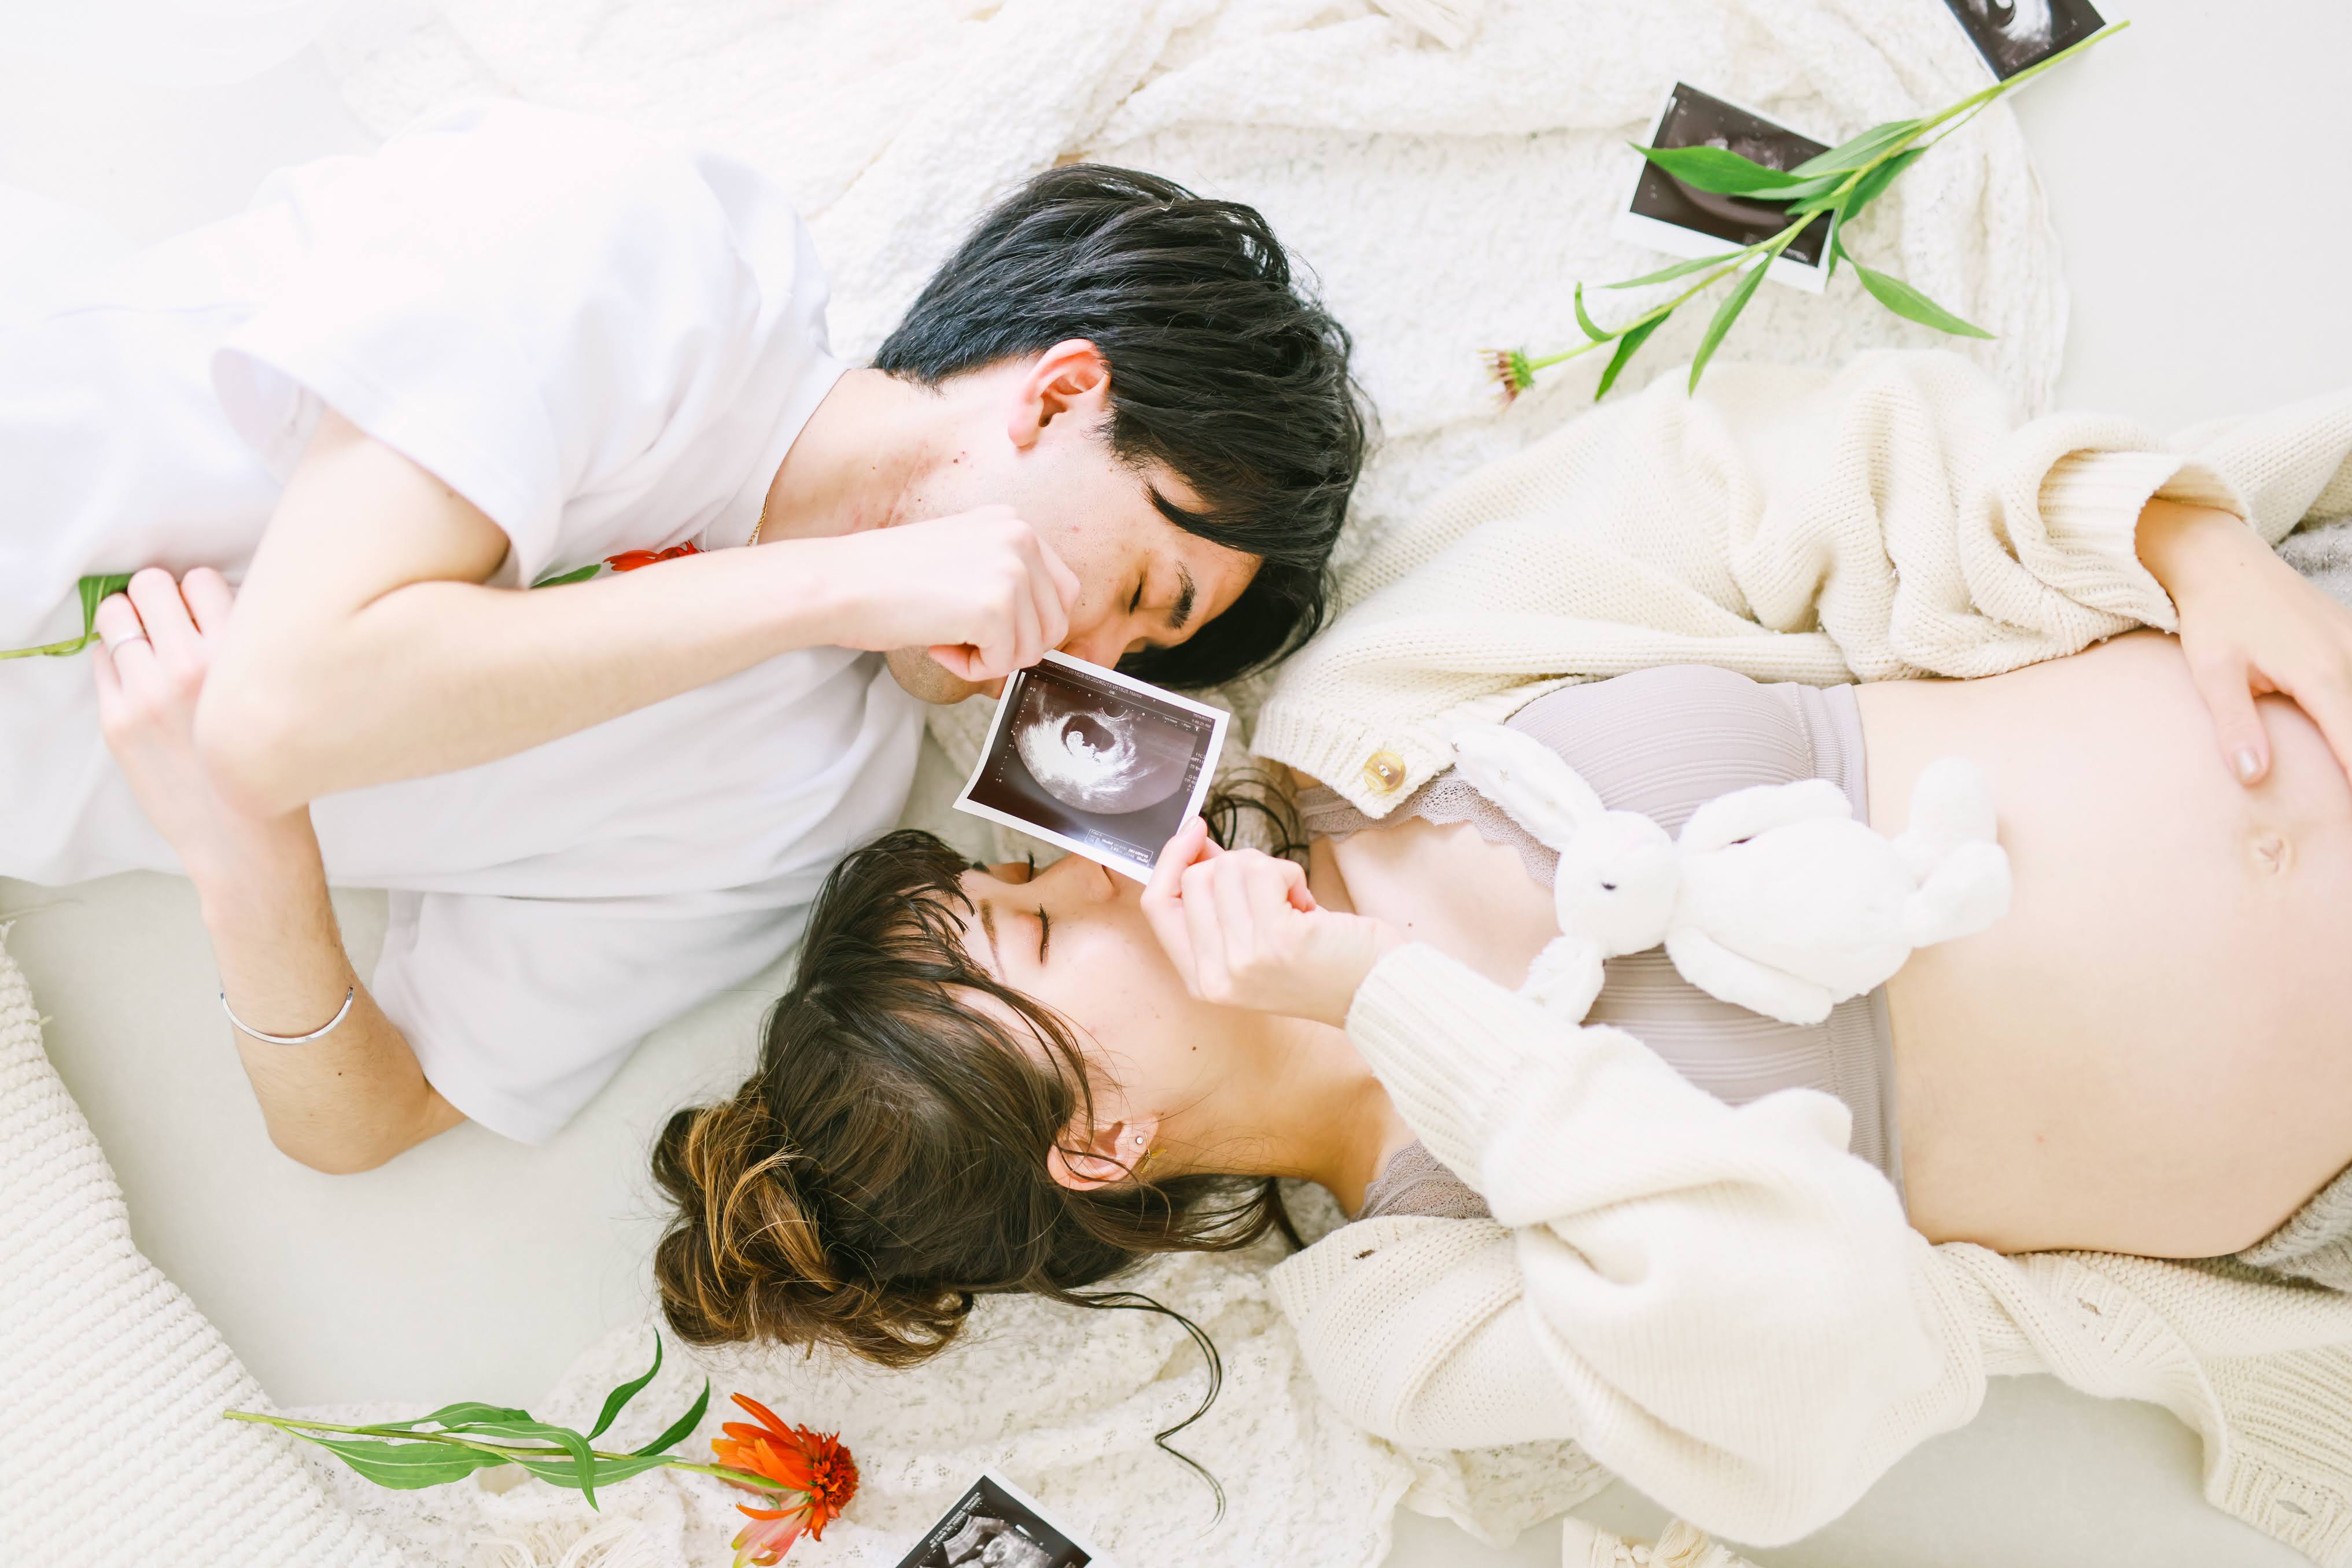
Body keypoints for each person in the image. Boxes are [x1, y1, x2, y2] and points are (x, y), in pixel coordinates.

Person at [646, 352, 2352, 1543]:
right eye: (1031, 926)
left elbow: (1804, 469)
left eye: (1033, 871)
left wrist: (2196, 553)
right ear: (1099, 1140)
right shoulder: (1410, 1319)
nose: (1088, 882)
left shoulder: (1379, 702)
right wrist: (1386, 1002)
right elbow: (1820, 1356)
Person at [0, 101, 1365, 1172]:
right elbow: (272, 714)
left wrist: (247, 860)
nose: (1090, 658)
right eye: (1142, 589)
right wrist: (838, 582)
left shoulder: (805, 802)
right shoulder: (658, 252)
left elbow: (362, 1121)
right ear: (1057, 398)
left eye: (1136, 658)